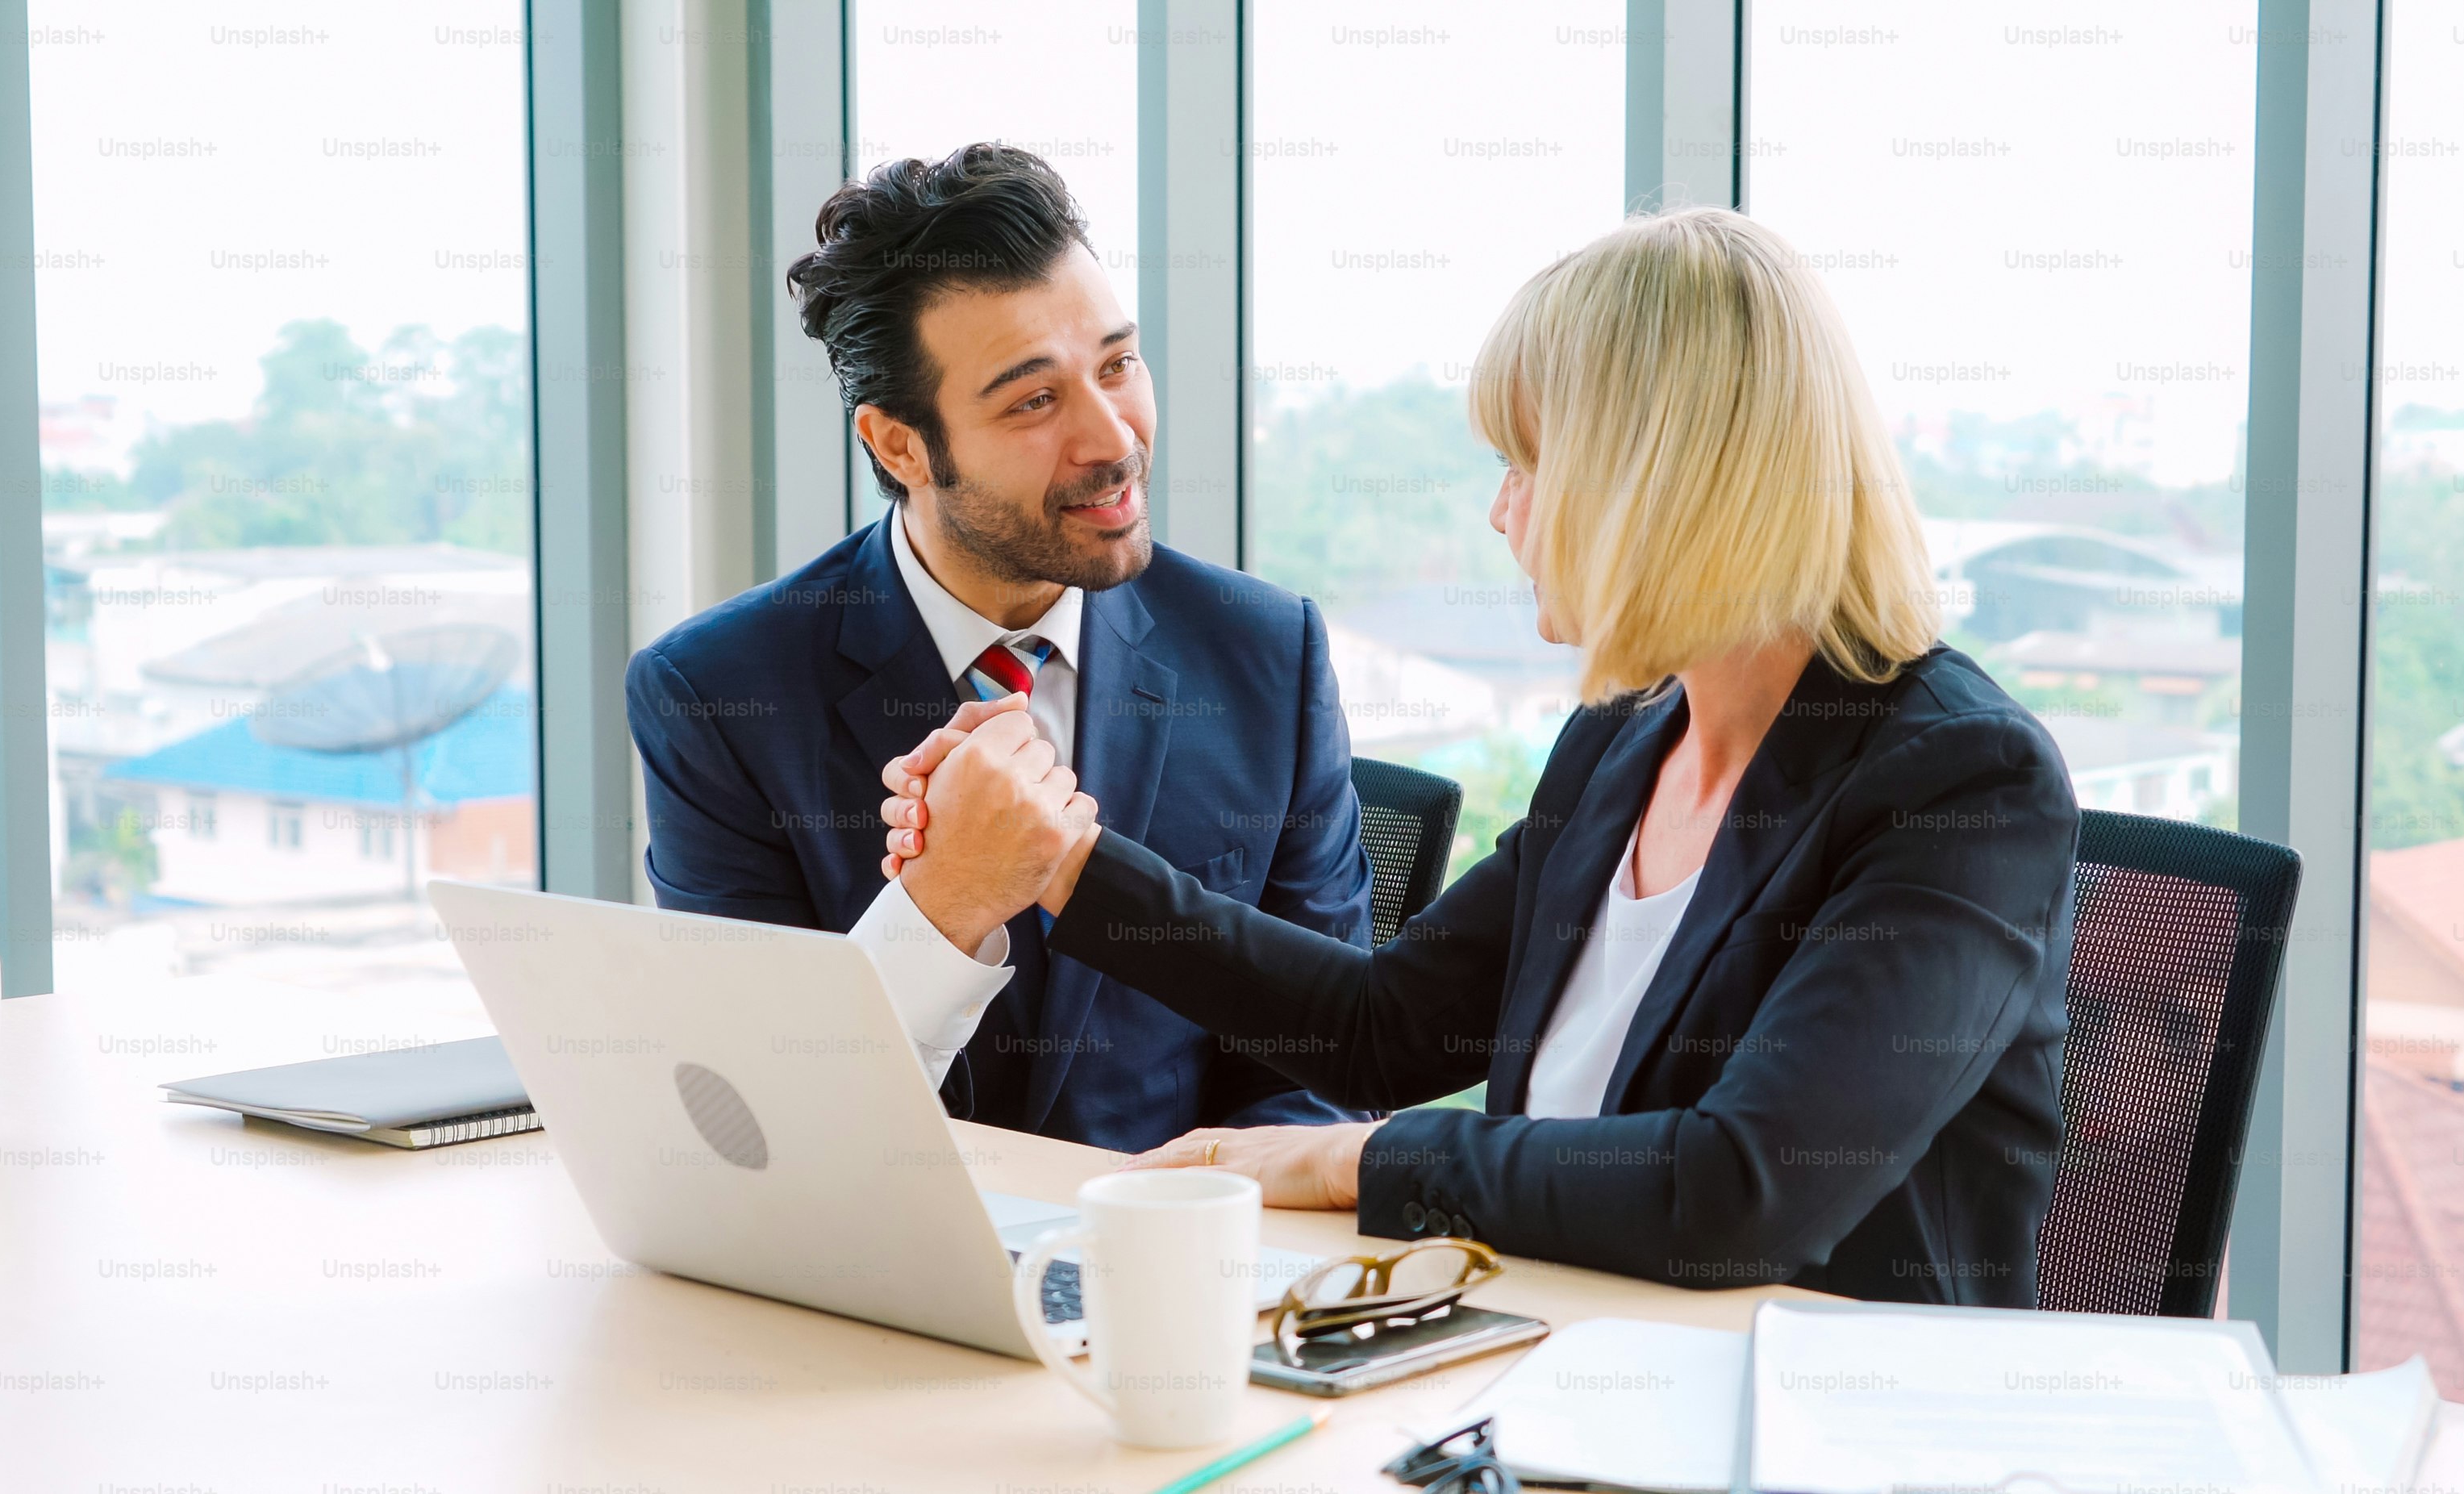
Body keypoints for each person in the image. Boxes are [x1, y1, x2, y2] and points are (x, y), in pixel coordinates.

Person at [875, 207, 2080, 1304]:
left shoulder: (1961, 782)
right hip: (1565, 1364)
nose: (1502, 513)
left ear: (1655, 487)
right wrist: (1063, 863)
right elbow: (1384, 1024)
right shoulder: (1627, 739)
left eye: (1527, 467)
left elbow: (1742, 1188)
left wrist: (1354, 1159)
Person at [627, 144, 1373, 1151]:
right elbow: (749, 1114)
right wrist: (944, 904)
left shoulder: (1263, 654)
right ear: (899, 444)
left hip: (1181, 1264)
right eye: (1033, 401)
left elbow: (1325, 1066)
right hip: (879, 1276)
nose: (1112, 438)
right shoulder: (717, 693)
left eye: (1116, 366)